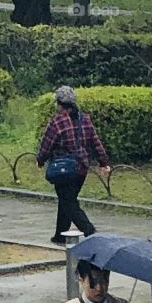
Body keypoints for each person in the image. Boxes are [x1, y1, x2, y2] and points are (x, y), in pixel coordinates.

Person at [36, 87, 111, 246]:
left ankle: (89, 231)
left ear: (60, 104)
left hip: (63, 170)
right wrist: (103, 162)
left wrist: (40, 160)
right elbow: (95, 142)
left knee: (69, 203)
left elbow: (46, 145)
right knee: (66, 199)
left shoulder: (57, 122)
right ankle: (60, 235)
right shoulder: (85, 119)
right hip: (81, 169)